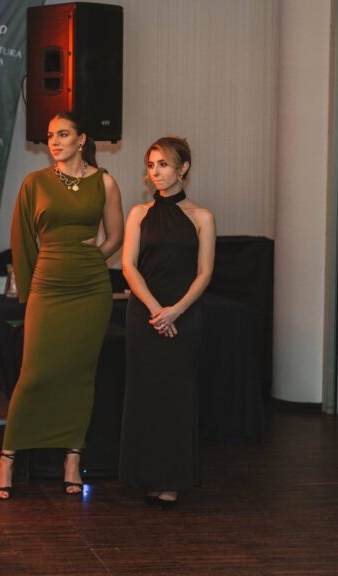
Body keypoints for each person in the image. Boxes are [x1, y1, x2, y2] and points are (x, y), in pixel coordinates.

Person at [0, 112, 124, 499]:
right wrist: (31, 289)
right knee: (33, 373)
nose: (54, 141)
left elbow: (115, 237)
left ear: (81, 140)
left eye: (63, 134)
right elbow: (22, 240)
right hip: (48, 287)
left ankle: (72, 459)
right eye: (50, 135)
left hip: (91, 289)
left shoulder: (105, 182)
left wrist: (91, 259)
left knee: (81, 374)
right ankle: (7, 458)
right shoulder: (35, 183)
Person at [119, 136, 215, 509]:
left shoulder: (202, 217)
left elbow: (205, 273)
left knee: (177, 397)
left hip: (184, 317)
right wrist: (157, 309)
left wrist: (176, 310)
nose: (155, 172)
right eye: (151, 165)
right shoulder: (139, 214)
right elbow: (128, 266)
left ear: (183, 168)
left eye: (163, 164)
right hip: (144, 316)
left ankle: (171, 480)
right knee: (144, 395)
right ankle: (146, 475)